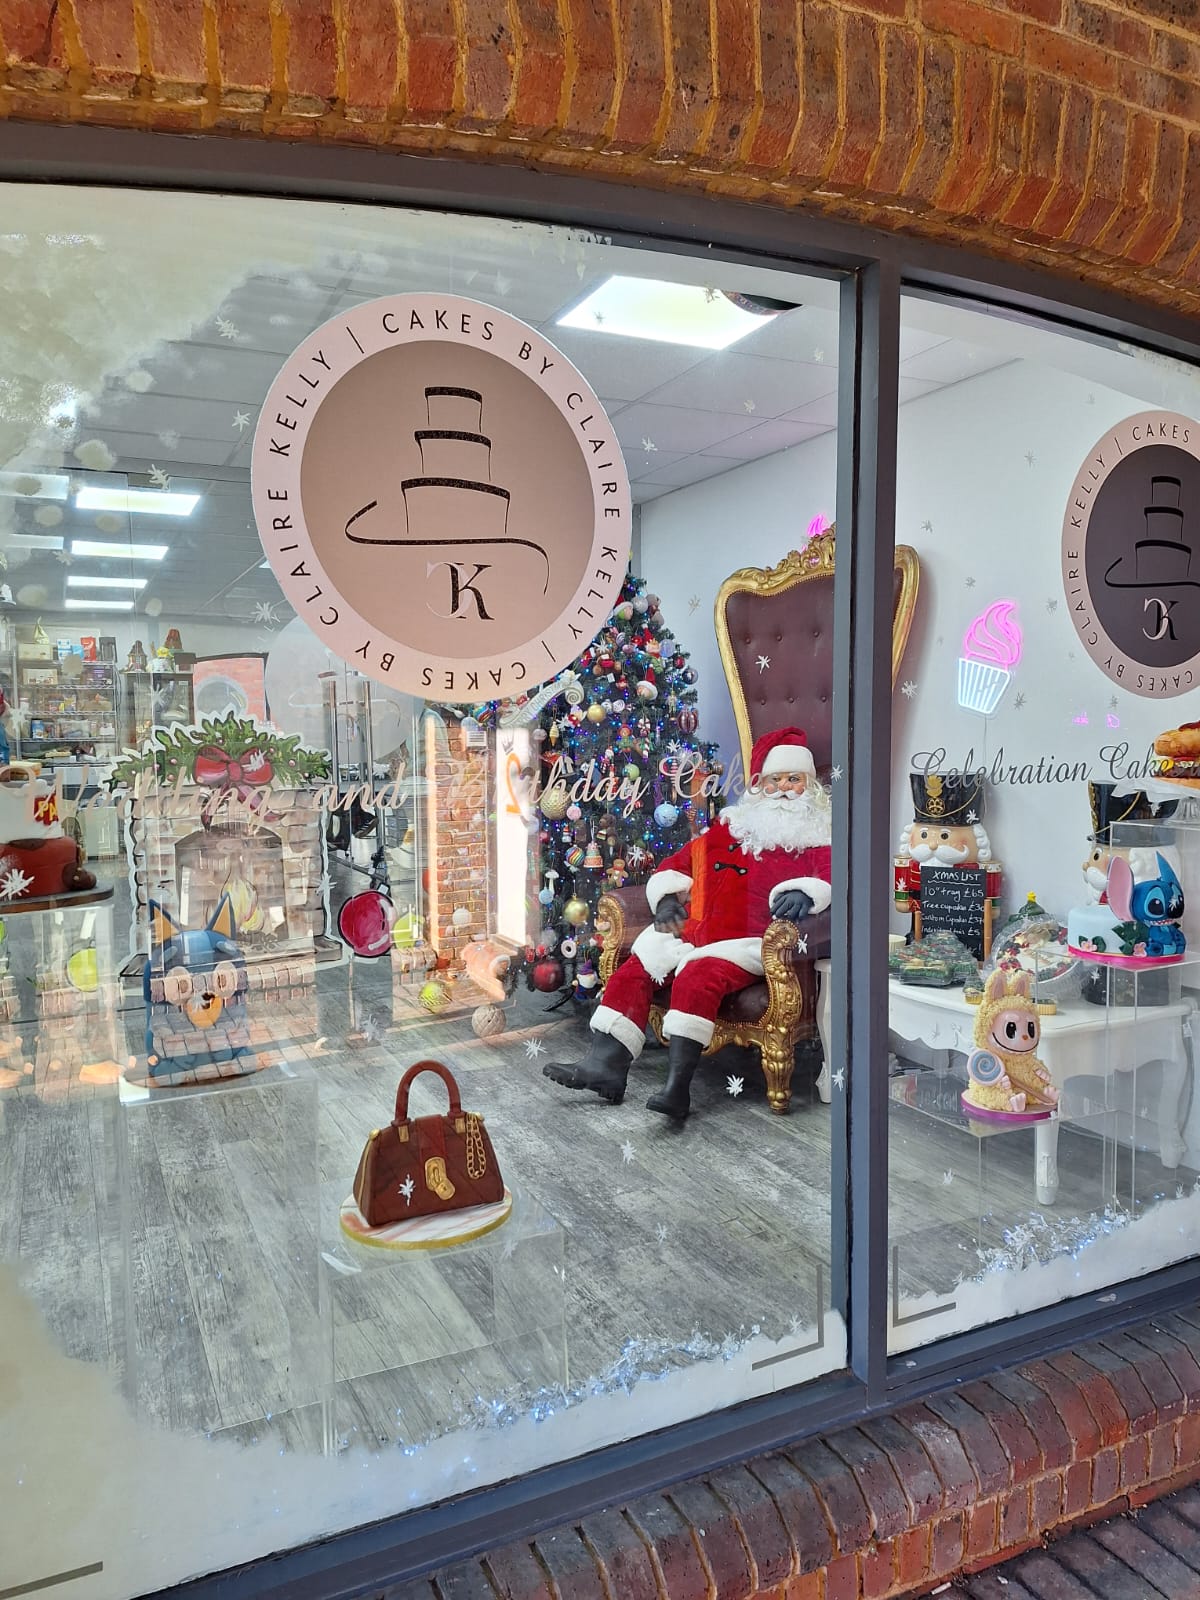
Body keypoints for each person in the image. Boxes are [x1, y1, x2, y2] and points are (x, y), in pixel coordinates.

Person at [543, 727, 831, 1121]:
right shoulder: (732, 828)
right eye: (775, 779)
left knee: (699, 975)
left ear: (809, 785)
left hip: (749, 941)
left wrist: (810, 890)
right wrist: (663, 901)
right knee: (637, 968)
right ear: (759, 785)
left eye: (793, 780)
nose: (783, 789)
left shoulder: (818, 838)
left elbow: (835, 877)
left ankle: (677, 1089)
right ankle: (605, 1067)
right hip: (694, 930)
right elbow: (676, 865)